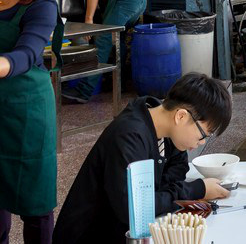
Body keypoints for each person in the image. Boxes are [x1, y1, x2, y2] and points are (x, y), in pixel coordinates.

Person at [53, 73, 232, 244]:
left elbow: (175, 174)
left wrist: (166, 196)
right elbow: (134, 211)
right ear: (181, 116)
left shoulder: (167, 132)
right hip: (91, 236)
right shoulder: (129, 135)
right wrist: (196, 189)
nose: (201, 143)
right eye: (203, 135)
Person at [0, 0, 64, 244]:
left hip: (27, 109)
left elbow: (27, 53)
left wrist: (2, 64)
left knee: (34, 200)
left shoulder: (42, 5)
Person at [62, 0, 147, 103]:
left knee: (103, 39)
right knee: (117, 41)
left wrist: (88, 20)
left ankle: (83, 92)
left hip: (128, 0)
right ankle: (119, 84)